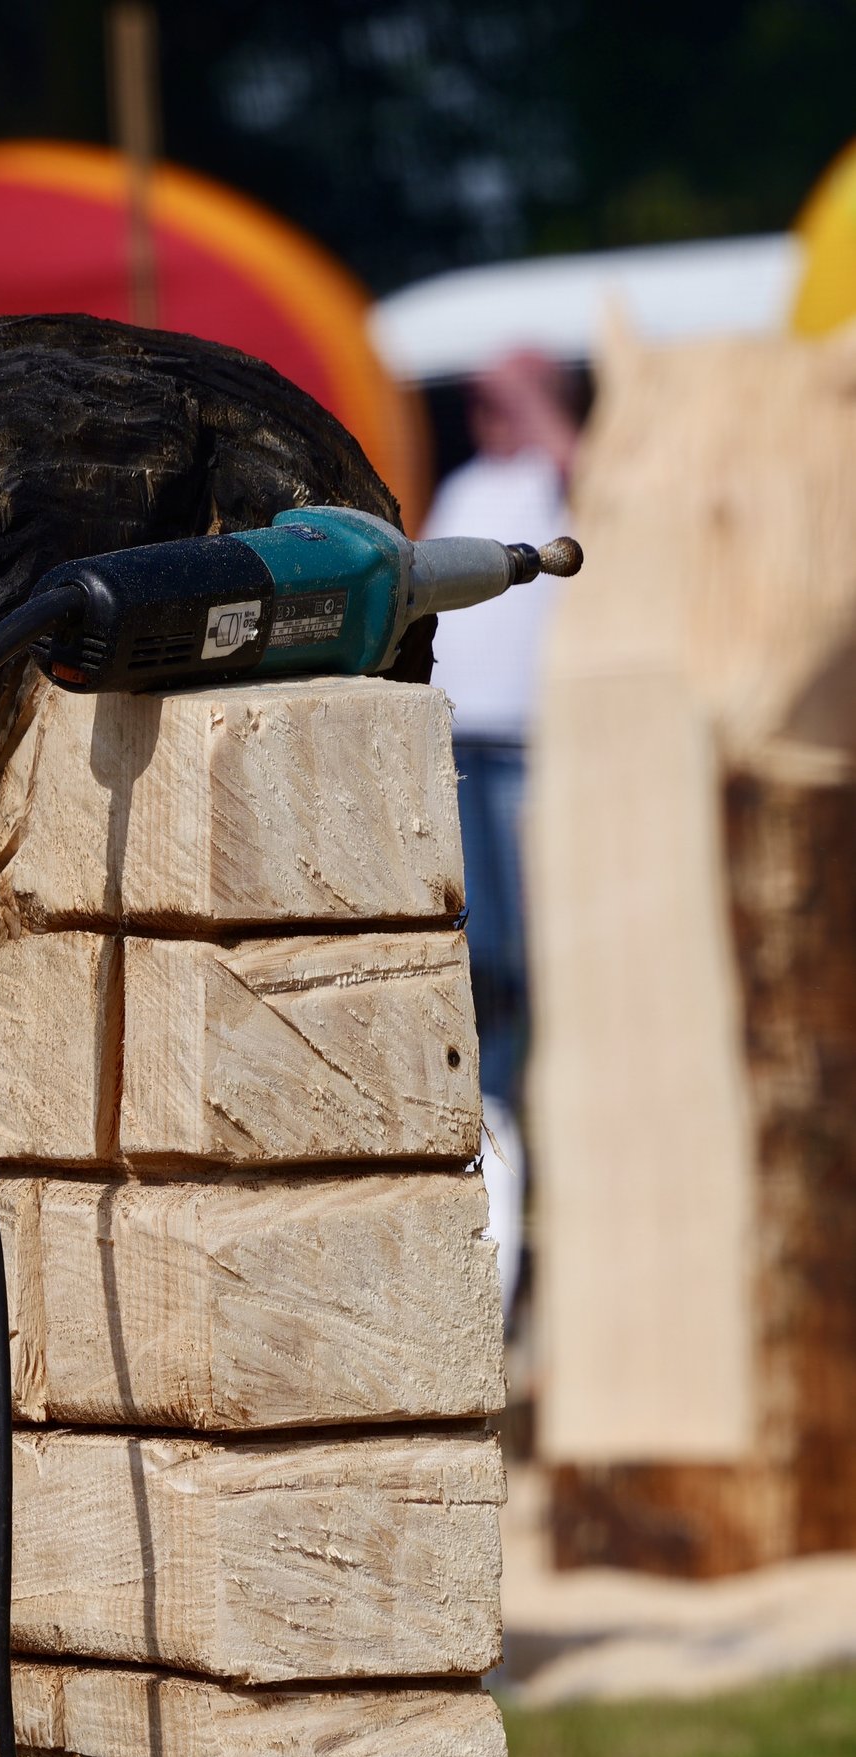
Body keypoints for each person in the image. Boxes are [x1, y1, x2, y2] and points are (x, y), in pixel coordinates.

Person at [425, 347, 580, 1316]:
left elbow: (594, 478)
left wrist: (537, 399)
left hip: (531, 740)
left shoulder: (558, 468)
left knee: (530, 961)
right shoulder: (471, 479)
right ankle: (487, 1123)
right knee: (475, 956)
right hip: (462, 737)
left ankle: (530, 1127)